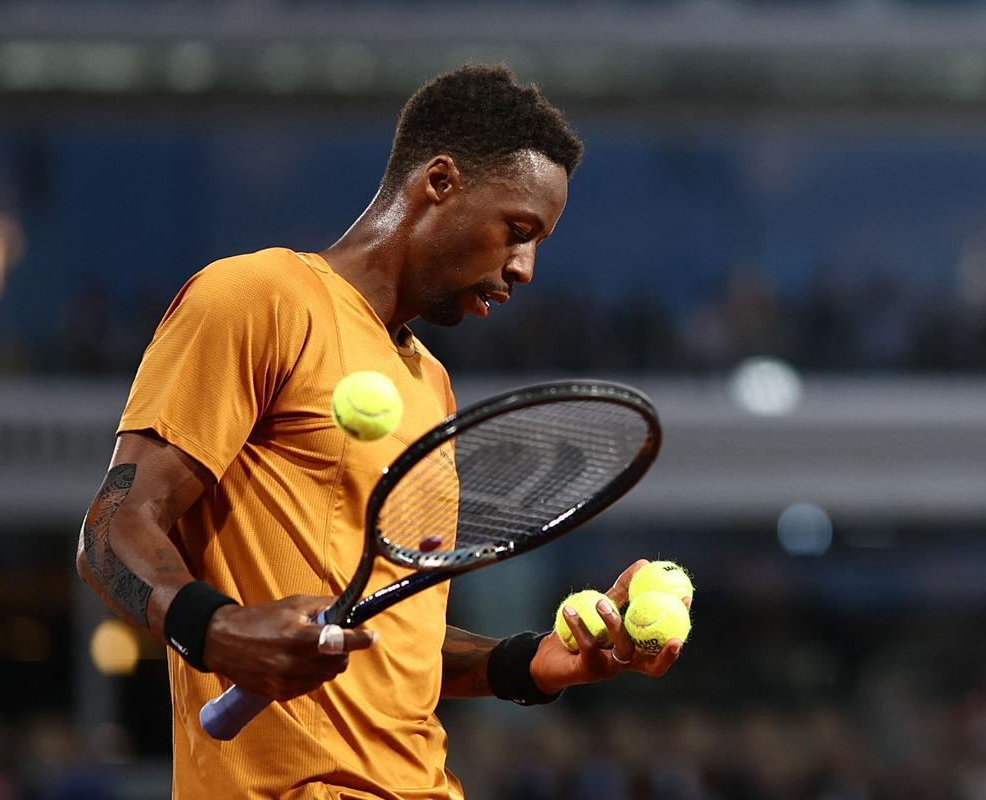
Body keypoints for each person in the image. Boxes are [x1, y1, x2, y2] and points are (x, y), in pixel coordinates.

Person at [76, 64, 685, 800]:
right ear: (439, 182)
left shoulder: (431, 384)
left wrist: (527, 662)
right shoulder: (258, 298)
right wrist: (219, 630)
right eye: (517, 231)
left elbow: (390, 634)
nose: (525, 268)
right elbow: (113, 527)